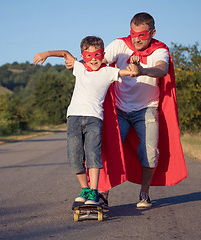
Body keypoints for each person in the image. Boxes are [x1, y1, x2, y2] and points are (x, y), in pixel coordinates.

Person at [65, 13, 187, 210]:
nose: (136, 38)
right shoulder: (120, 45)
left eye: (142, 34)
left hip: (146, 108)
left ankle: (144, 193)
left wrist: (142, 70)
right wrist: (78, 64)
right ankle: (102, 194)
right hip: (119, 109)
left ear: (152, 33)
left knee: (149, 153)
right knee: (106, 150)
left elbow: (162, 69)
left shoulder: (160, 50)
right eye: (133, 33)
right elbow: (96, 59)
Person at [33, 36, 140, 205]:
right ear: (83, 56)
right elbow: (64, 53)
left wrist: (135, 62)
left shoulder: (108, 72)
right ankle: (86, 188)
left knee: (92, 154)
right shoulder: (80, 68)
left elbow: (132, 72)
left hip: (94, 119)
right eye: (88, 56)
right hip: (74, 118)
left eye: (97, 55)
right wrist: (46, 53)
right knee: (75, 155)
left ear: (102, 54)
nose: (93, 60)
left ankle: (94, 192)